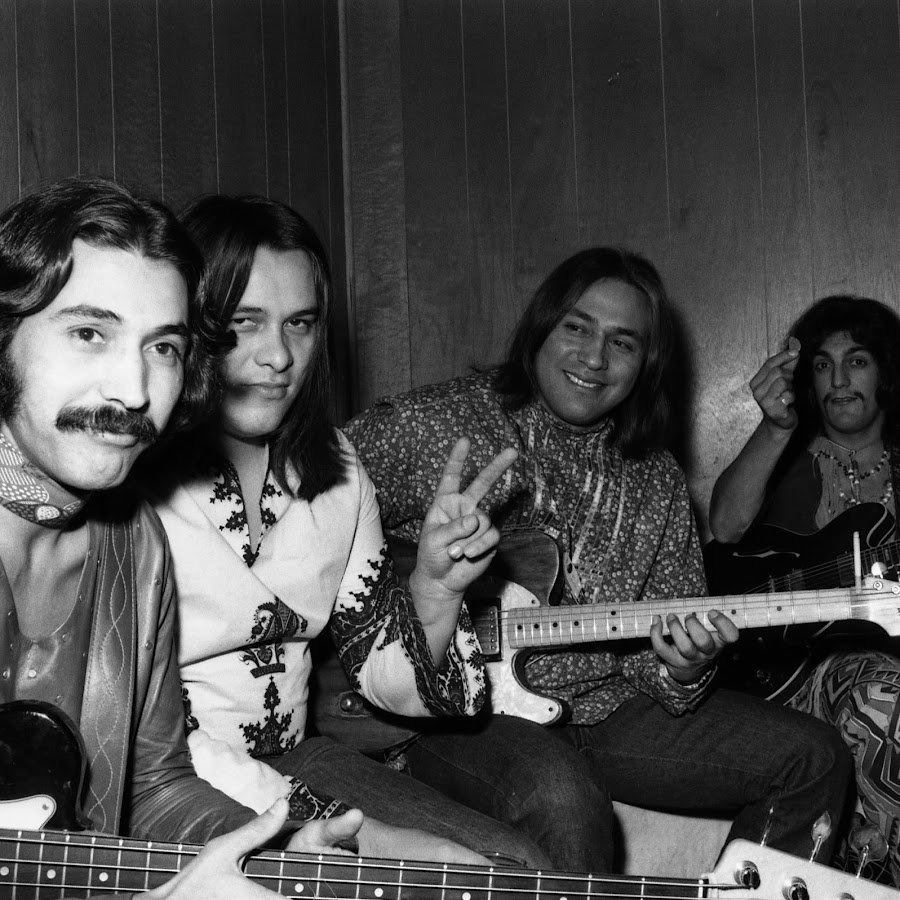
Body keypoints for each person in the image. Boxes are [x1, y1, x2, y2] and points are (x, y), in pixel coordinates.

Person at [344, 246, 852, 872]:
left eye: (623, 342)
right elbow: (307, 500)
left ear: (646, 363)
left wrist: (685, 667)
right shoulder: (436, 423)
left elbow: (658, 664)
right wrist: (385, 618)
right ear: (541, 327)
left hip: (605, 709)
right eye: (577, 327)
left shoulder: (657, 479)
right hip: (458, 718)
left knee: (813, 758)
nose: (594, 357)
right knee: (563, 797)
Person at [0, 175, 403, 900]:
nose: (133, 390)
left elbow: (154, 787)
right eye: (89, 333)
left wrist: (270, 849)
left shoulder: (134, 543)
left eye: (163, 347)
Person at [142, 194, 547, 868]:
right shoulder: (130, 469)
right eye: (244, 322)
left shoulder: (338, 467)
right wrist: (364, 836)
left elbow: (384, 675)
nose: (279, 355)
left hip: (299, 755)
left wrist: (436, 590)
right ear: (189, 322)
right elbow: (134, 740)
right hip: (170, 776)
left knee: (508, 866)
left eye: (299, 323)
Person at [709, 294, 900, 885]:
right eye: (822, 364)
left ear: (887, 372)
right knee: (883, 698)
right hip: (789, 677)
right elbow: (724, 528)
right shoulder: (783, 455)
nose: (838, 380)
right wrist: (774, 428)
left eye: (857, 361)